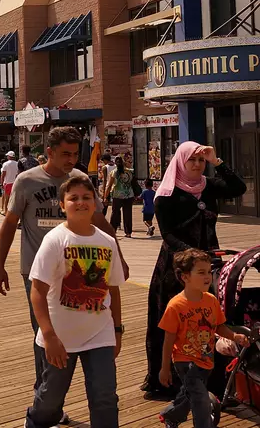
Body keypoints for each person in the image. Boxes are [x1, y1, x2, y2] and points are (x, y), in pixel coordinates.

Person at [0, 126, 128, 423]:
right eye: (65, 153)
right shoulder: (27, 181)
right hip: (38, 272)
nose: (70, 159)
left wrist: (118, 253)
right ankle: (48, 399)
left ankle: (49, 397)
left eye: (74, 153)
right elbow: (10, 223)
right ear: (50, 152)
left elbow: (99, 221)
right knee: (45, 335)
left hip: (81, 267)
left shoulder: (78, 182)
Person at [143, 141, 246, 400]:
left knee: (207, 320)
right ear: (181, 162)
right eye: (193, 160)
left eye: (201, 161)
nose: (198, 165)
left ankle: (209, 380)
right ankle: (169, 380)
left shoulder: (207, 186)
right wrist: (193, 259)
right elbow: (167, 235)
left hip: (210, 263)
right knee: (174, 323)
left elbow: (238, 187)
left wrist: (217, 162)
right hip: (176, 268)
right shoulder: (166, 195)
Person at [24, 176, 124, 428]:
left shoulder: (107, 241)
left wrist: (117, 329)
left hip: (100, 333)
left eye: (87, 197)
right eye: (73, 198)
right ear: (62, 205)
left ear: (95, 202)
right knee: (51, 397)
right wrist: (48, 335)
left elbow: (113, 288)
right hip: (60, 335)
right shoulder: (55, 240)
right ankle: (35, 422)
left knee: (105, 396)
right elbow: (37, 290)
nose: (80, 202)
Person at [158, 248, 249, 428]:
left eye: (208, 271)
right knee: (200, 399)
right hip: (185, 360)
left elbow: (219, 327)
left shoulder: (211, 300)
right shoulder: (175, 306)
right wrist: (164, 368)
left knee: (189, 395)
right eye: (201, 272)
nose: (207, 276)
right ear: (185, 277)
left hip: (206, 360)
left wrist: (235, 336)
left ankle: (171, 414)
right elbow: (168, 340)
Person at [105, 156, 140, 238]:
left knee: (115, 213)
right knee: (127, 214)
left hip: (117, 195)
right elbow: (133, 183)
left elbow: (109, 185)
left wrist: (105, 196)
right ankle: (128, 232)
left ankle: (113, 230)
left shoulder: (115, 172)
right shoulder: (130, 171)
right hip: (129, 195)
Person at [0, 150, 20, 216]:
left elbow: (3, 174)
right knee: (15, 199)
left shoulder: (5, 164)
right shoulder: (17, 164)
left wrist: (1, 183)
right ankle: (15, 212)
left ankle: (5, 211)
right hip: (15, 183)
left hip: (7, 183)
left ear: (9, 156)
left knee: (7, 199)